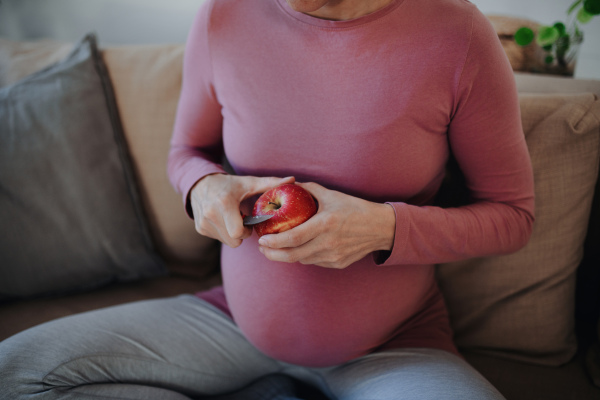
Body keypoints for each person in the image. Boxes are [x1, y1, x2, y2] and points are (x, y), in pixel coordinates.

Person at [0, 0, 534, 399]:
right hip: (229, 325)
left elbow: (513, 216)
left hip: (395, 345)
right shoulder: (224, 16)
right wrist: (202, 186)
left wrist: (383, 229)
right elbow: (186, 151)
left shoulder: (457, 34)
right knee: (18, 371)